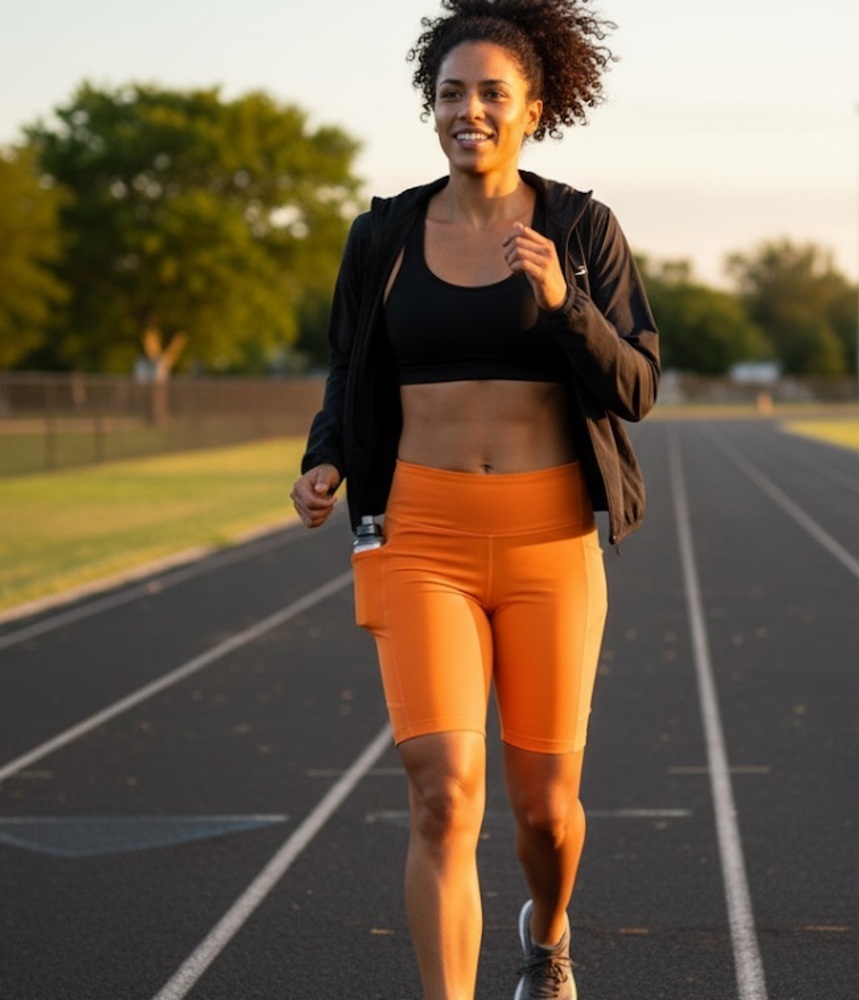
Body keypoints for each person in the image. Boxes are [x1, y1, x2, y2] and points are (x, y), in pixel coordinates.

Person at [290, 1, 659, 996]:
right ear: (431, 106)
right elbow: (347, 370)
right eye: (450, 93)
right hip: (420, 536)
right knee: (443, 797)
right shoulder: (382, 237)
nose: (469, 110)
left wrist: (563, 304)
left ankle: (548, 933)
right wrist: (326, 457)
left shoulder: (581, 228)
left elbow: (636, 386)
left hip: (548, 542)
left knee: (545, 809)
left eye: (492, 93)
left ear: (533, 108)